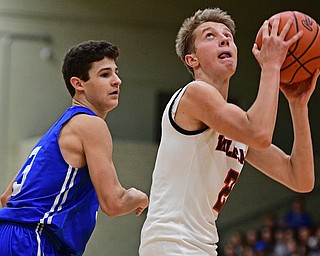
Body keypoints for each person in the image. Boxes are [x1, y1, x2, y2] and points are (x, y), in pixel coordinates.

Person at [139, 7, 319, 256]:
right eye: (210, 36)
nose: (224, 38)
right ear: (192, 59)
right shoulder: (194, 93)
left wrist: (298, 106)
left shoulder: (235, 122)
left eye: (228, 36)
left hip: (201, 245)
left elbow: (300, 179)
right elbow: (259, 133)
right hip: (172, 243)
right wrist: (271, 68)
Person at [0, 40, 148, 255]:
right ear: (78, 84)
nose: (117, 81)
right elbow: (114, 203)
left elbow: (6, 198)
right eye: (105, 74)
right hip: (32, 240)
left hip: (12, 236)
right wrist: (140, 197)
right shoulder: (91, 124)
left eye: (116, 73)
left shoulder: (62, 127)